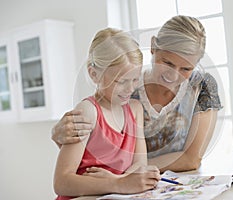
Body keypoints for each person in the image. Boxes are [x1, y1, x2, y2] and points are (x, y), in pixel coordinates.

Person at [52, 15, 222, 173]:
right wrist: (58, 134)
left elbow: (191, 160)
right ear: (153, 47)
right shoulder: (127, 87)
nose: (173, 75)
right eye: (167, 63)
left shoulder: (201, 87)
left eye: (186, 68)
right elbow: (97, 142)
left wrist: (127, 173)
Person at [53, 28, 160, 200]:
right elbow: (61, 182)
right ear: (94, 74)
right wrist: (118, 184)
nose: (130, 88)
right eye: (122, 81)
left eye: (135, 79)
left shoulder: (135, 109)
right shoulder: (88, 112)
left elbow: (139, 165)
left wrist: (119, 180)